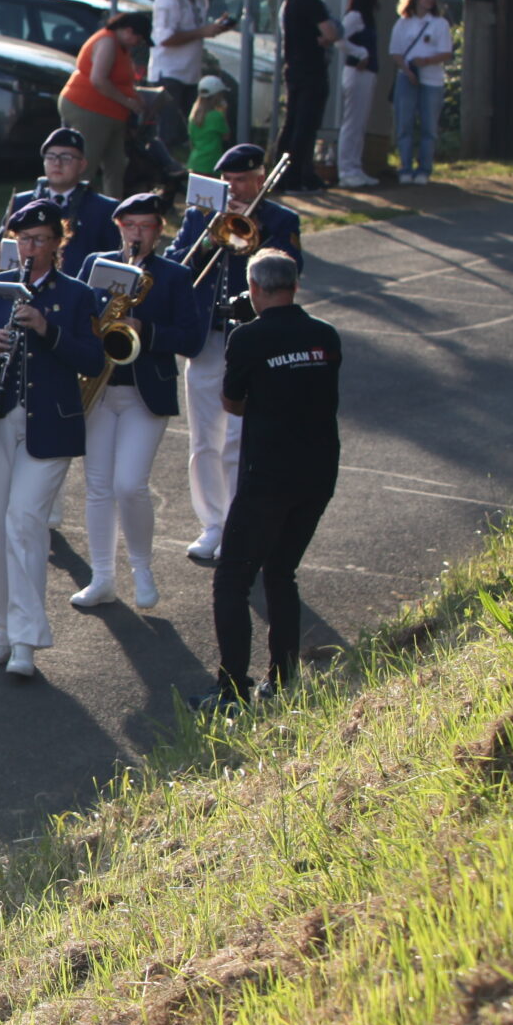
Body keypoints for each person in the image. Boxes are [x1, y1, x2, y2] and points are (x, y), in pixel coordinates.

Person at [0, 200, 103, 679]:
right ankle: (2, 629)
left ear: (58, 244)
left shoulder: (77, 295)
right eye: (24, 240)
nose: (31, 248)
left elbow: (93, 361)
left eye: (40, 240)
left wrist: (47, 329)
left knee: (24, 521)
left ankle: (26, 639)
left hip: (50, 425)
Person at [188, 247, 340, 708]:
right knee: (281, 572)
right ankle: (283, 679)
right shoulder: (326, 335)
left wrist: (243, 338)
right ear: (295, 286)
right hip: (318, 471)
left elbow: (232, 403)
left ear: (253, 289)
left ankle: (232, 689)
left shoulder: (248, 339)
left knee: (232, 578)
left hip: (269, 472)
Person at [70, 193, 207, 611]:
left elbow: (192, 339)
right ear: (119, 227)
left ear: (160, 230)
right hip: (98, 389)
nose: (137, 233)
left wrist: (144, 328)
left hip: (143, 393)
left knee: (129, 484)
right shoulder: (96, 265)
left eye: (146, 226)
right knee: (97, 488)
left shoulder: (175, 276)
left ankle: (142, 568)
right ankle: (102, 578)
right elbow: (74, 317)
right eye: (130, 225)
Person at [172, 143, 303, 564]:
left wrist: (253, 231)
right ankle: (212, 522)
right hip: (207, 338)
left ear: (261, 179)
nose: (235, 188)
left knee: (237, 438)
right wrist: (213, 233)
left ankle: (240, 524)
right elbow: (178, 267)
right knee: (204, 439)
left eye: (243, 180)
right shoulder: (199, 216)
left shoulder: (281, 219)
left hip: (251, 338)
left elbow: (289, 270)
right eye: (227, 181)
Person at [149, 0, 236, 159]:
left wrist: (215, 27)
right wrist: (202, 32)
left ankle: (190, 173)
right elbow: (164, 39)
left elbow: (194, 28)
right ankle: (163, 180)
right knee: (168, 133)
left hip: (191, 73)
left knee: (195, 130)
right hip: (169, 74)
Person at [57, 10, 151, 195]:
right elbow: (98, 79)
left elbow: (120, 80)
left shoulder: (121, 47)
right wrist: (127, 101)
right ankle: (71, 212)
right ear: (128, 31)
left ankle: (113, 210)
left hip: (111, 116)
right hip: (89, 109)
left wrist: (135, 96)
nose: (139, 43)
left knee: (116, 165)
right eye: (138, 37)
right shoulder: (107, 42)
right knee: (86, 164)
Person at [2, 127, 119, 272]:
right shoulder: (21, 203)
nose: (57, 163)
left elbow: (114, 262)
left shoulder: (104, 209)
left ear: (82, 165)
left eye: (66, 158)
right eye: (50, 157)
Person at [275, 0, 338, 191]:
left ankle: (284, 173)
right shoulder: (310, 1)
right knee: (305, 125)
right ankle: (296, 175)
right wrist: (325, 37)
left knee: (292, 122)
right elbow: (331, 32)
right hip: (311, 69)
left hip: (293, 67)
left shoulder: (291, 1)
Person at [387, 0, 454, 184]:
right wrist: (408, 71)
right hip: (407, 77)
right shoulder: (403, 22)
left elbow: (446, 53)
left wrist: (426, 61)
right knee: (404, 124)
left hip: (431, 80)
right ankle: (405, 167)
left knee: (429, 127)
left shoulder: (439, 23)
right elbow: (395, 52)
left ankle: (424, 168)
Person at [333, 0, 381, 187]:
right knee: (351, 122)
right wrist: (360, 52)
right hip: (356, 71)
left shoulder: (366, 16)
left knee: (360, 123)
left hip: (367, 73)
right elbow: (339, 40)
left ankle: (355, 166)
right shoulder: (354, 16)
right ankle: (345, 170)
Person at [187, 78, 234, 176]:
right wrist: (223, 112)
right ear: (217, 96)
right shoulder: (217, 116)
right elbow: (226, 136)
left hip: (195, 163)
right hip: (211, 164)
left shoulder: (193, 116)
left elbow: (191, 142)